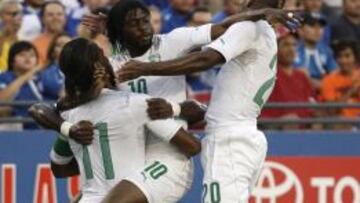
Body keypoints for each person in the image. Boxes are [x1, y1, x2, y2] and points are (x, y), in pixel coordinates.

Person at [117, 0, 290, 201]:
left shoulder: (248, 28)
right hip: (245, 134)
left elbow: (205, 60)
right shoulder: (265, 32)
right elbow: (220, 30)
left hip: (230, 138)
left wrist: (145, 68)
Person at [30, 38, 201, 203]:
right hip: (130, 197)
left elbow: (59, 168)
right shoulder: (135, 103)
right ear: (99, 64)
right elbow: (192, 145)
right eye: (103, 55)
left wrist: (77, 140)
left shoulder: (68, 113)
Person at [261, 27, 315, 129]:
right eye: (286, 45)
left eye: (294, 45)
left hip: (305, 129)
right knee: (291, 120)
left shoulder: (302, 76)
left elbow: (313, 106)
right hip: (276, 130)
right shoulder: (266, 74)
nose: (291, 49)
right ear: (275, 48)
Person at [0, 41, 41, 129]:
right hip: (12, 129)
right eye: (22, 55)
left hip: (41, 129)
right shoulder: (4, 77)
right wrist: (27, 76)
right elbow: (1, 99)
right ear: (12, 61)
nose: (28, 58)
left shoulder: (42, 78)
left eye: (32, 55)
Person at [295, 12, 337, 89]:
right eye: (312, 25)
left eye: (320, 26)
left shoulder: (327, 51)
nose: (317, 30)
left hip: (323, 95)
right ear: (300, 30)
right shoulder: (292, 49)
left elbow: (336, 75)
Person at [320, 40, 360, 118]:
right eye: (339, 57)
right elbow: (331, 110)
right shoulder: (329, 80)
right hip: (340, 123)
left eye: (347, 56)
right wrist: (350, 92)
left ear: (355, 58)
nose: (343, 61)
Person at [32, 1, 67, 67]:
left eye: (59, 14)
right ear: (42, 19)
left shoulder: (73, 41)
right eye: (50, 15)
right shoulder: (35, 45)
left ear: (65, 18)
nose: (55, 18)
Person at [40, 33, 71, 100]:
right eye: (60, 45)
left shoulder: (81, 68)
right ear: (53, 52)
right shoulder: (47, 73)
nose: (65, 48)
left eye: (69, 45)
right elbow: (62, 93)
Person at [0, 1, 23, 72]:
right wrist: (5, 34)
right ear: (1, 16)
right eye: (10, 14)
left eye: (17, 14)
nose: (14, 18)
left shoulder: (24, 40)